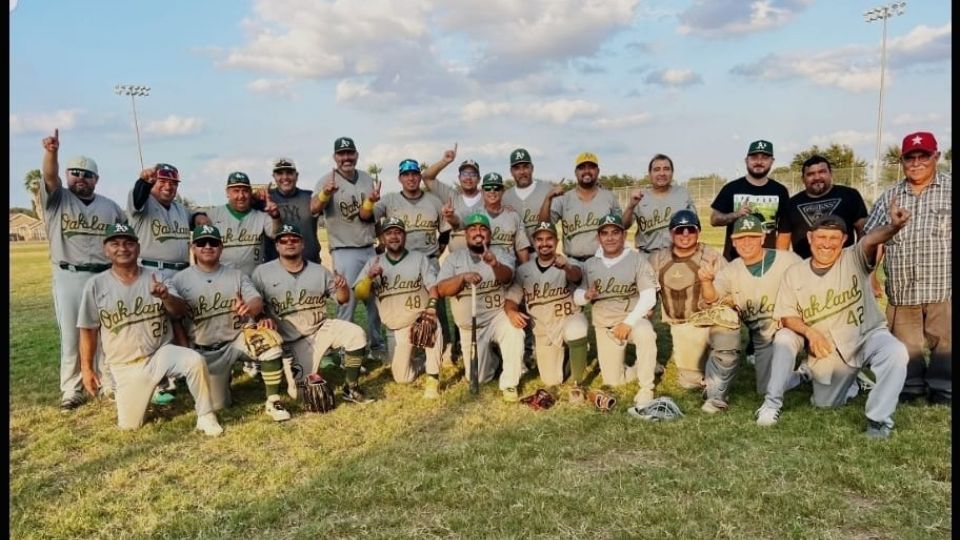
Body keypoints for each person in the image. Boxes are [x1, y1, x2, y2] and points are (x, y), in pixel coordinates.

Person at [77, 223, 223, 436]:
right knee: (130, 426)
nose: (122, 248)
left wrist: (166, 297)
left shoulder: (157, 277)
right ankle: (133, 392)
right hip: (124, 365)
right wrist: (87, 369)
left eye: (128, 243)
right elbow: (88, 330)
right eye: (115, 244)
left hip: (159, 355)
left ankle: (206, 415)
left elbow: (180, 310)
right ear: (105, 249)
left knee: (194, 360)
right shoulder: (96, 285)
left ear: (138, 247)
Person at [774, 212, 910, 439]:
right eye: (821, 237)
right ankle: (853, 380)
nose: (826, 244)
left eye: (833, 238)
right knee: (824, 404)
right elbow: (787, 316)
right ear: (809, 238)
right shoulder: (795, 273)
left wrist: (893, 228)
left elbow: (871, 239)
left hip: (867, 334)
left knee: (896, 352)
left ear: (844, 239)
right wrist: (810, 333)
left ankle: (878, 420)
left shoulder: (854, 256)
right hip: (829, 345)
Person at [171, 224, 296, 422]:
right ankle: (222, 379)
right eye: (201, 243)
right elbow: (175, 317)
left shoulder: (235, 275)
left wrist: (250, 308)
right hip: (204, 350)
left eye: (213, 242)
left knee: (269, 343)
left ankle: (273, 401)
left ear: (221, 247)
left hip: (236, 340)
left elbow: (256, 300)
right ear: (193, 248)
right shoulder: (179, 280)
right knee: (219, 405)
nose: (207, 246)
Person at [39, 128, 126, 412]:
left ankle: (105, 381)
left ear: (96, 179)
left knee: (108, 330)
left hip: (103, 274)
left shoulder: (110, 207)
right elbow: (49, 177)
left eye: (87, 174)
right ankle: (71, 388)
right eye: (75, 173)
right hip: (69, 273)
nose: (81, 178)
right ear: (67, 175)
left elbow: (126, 237)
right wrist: (51, 153)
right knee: (72, 333)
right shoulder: (58, 199)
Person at [863, 131, 951, 405]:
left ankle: (943, 389)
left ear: (935, 156)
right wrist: (871, 276)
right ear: (902, 161)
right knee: (905, 344)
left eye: (922, 156)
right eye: (909, 158)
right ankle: (911, 388)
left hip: (942, 285)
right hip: (903, 286)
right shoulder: (891, 196)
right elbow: (872, 238)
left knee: (945, 343)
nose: (916, 163)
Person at [699, 215, 805, 426]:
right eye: (741, 238)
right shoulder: (731, 270)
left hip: (792, 329)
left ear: (763, 238)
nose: (746, 243)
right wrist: (706, 282)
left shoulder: (788, 260)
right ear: (734, 241)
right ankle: (804, 374)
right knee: (765, 387)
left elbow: (811, 292)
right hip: (762, 337)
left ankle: (823, 362)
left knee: (785, 339)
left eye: (752, 237)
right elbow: (711, 299)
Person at [251, 223, 372, 403]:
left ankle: (351, 387)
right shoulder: (262, 272)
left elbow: (343, 299)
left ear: (302, 244)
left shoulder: (319, 271)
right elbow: (255, 306)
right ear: (277, 246)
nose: (289, 243)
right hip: (290, 341)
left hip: (320, 329)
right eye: (283, 240)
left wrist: (342, 286)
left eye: (294, 239)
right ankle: (285, 368)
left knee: (356, 333)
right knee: (301, 395)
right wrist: (261, 318)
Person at [648, 210, 740, 412]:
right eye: (680, 230)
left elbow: (733, 292)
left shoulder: (712, 257)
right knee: (689, 383)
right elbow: (646, 292)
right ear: (671, 234)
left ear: (698, 231)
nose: (685, 234)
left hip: (711, 322)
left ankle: (717, 391)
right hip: (683, 326)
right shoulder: (657, 260)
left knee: (728, 325)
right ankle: (707, 364)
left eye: (691, 229)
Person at [309, 137, 386, 360]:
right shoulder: (326, 180)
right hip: (344, 250)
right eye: (341, 154)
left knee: (375, 301)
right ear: (335, 157)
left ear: (356, 155)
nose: (346, 158)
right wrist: (326, 193)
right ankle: (344, 349)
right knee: (348, 303)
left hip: (369, 248)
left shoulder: (365, 178)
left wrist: (380, 238)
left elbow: (372, 216)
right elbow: (314, 208)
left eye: (350, 153)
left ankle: (376, 346)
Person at [126, 162, 196, 402]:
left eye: (173, 183)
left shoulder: (179, 208)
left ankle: (184, 371)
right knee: (154, 326)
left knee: (181, 321)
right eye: (162, 182)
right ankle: (157, 380)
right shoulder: (144, 204)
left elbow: (194, 215)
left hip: (180, 270)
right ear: (153, 183)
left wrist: (200, 215)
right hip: (151, 270)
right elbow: (137, 198)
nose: (168, 187)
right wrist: (143, 182)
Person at [436, 213, 524, 401]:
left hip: (496, 317)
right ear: (466, 234)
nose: (478, 233)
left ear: (489, 234)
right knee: (479, 378)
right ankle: (494, 359)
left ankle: (510, 384)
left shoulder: (500, 254)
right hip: (470, 328)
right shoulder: (454, 259)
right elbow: (442, 290)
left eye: (483, 229)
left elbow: (507, 277)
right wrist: (461, 278)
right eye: (473, 229)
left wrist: (494, 264)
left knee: (514, 330)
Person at [369, 159, 452, 356]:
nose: (411, 178)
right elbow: (367, 219)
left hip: (428, 258)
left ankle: (444, 347)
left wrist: (438, 250)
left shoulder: (433, 200)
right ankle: (409, 349)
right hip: (399, 261)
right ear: (400, 178)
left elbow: (445, 231)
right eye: (406, 174)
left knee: (436, 304)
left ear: (419, 176)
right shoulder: (389, 200)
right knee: (404, 305)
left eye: (414, 173)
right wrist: (381, 239)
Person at [574, 214, 658, 407]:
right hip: (605, 326)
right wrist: (586, 295)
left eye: (615, 233)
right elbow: (576, 297)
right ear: (598, 237)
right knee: (613, 381)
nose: (610, 237)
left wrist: (629, 322)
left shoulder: (637, 260)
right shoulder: (589, 264)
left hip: (632, 320)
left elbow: (649, 296)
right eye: (605, 233)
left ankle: (647, 387)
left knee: (646, 333)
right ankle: (643, 365)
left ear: (624, 234)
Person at [353, 217, 443, 398]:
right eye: (389, 233)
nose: (394, 237)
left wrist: (431, 308)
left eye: (398, 232)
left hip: (421, 318)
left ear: (404, 236)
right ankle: (423, 362)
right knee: (402, 377)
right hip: (397, 328)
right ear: (383, 238)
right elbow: (360, 294)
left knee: (431, 325)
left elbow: (433, 287)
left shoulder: (419, 258)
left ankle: (433, 379)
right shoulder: (374, 262)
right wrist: (369, 278)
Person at [504, 221, 589, 391]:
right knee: (551, 380)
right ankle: (569, 353)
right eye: (539, 239)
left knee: (577, 328)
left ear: (557, 242)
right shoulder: (524, 270)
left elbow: (577, 276)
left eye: (549, 239)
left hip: (567, 319)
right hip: (544, 331)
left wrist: (566, 266)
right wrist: (512, 311)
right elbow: (511, 299)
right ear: (534, 242)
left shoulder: (568, 262)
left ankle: (577, 382)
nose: (544, 243)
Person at [710, 140, 790, 261]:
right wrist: (736, 214)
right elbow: (714, 219)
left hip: (766, 261)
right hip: (735, 260)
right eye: (754, 157)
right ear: (746, 160)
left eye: (764, 158)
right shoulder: (731, 188)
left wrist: (778, 260)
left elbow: (784, 231)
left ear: (772, 161)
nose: (759, 162)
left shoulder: (780, 191)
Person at [777, 155, 869, 258]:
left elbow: (863, 230)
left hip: (843, 265)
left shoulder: (850, 195)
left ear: (830, 173)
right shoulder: (792, 204)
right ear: (803, 178)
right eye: (810, 174)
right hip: (804, 267)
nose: (817, 177)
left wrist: (862, 258)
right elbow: (783, 240)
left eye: (822, 172)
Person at [540, 152, 622, 262]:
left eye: (591, 167)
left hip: (603, 261)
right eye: (582, 167)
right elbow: (544, 226)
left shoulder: (609, 197)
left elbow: (621, 227)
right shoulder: (563, 198)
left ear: (598, 171)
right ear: (576, 172)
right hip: (573, 261)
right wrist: (548, 198)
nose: (587, 171)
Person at [203, 171, 282, 276]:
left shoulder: (261, 216)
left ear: (250, 192)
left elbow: (276, 234)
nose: (241, 196)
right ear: (227, 192)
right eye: (236, 191)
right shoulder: (212, 215)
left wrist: (275, 216)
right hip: (221, 279)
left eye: (245, 191)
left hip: (254, 279)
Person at [622, 153, 696, 254]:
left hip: (676, 255)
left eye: (666, 169)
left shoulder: (682, 194)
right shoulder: (640, 196)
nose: (662, 173)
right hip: (648, 256)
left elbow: (694, 226)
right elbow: (624, 225)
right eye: (657, 169)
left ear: (672, 172)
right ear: (650, 174)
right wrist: (631, 206)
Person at [253, 157, 323, 264]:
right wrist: (255, 196)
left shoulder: (309, 197)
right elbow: (241, 204)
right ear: (274, 176)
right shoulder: (264, 199)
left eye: (289, 173)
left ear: (297, 175)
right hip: (275, 267)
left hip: (310, 265)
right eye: (280, 173)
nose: (285, 177)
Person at [421, 144, 484, 252]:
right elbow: (427, 177)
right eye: (464, 174)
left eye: (473, 174)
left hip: (482, 259)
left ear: (479, 179)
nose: (468, 178)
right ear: (459, 178)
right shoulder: (452, 196)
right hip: (457, 262)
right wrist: (445, 161)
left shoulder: (488, 198)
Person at [464, 172, 530, 267]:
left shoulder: (513, 216)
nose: (492, 191)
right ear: (482, 192)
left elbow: (521, 248)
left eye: (496, 188)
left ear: (503, 191)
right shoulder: (474, 215)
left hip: (508, 269)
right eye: (488, 188)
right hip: (482, 270)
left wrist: (526, 273)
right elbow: (469, 247)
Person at [502, 148, 556, 247]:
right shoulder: (505, 197)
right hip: (516, 255)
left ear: (532, 168)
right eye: (517, 168)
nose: (522, 172)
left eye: (525, 167)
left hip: (543, 253)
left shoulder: (547, 189)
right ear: (511, 171)